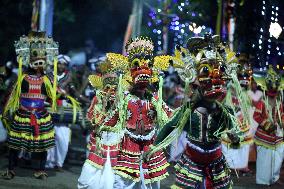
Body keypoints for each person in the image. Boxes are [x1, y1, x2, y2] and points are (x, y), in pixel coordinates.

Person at [147, 34, 242, 189]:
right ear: (194, 86)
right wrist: (153, 148)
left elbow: (235, 133)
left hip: (216, 164)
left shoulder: (224, 112)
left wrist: (234, 137)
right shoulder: (187, 111)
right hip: (192, 163)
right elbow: (169, 127)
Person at [79, 36, 174, 189]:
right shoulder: (124, 98)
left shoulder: (155, 99)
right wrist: (99, 129)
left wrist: (188, 109)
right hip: (128, 145)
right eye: (136, 66)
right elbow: (111, 118)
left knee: (149, 184)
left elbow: (171, 116)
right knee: (123, 182)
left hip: (149, 147)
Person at [1, 31, 58, 180]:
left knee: (42, 145)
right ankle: (11, 169)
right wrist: (6, 110)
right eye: (36, 60)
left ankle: (40, 170)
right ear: (29, 60)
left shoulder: (47, 80)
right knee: (15, 144)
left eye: (41, 60)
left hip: (41, 116)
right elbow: (11, 94)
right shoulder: (22, 79)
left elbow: (54, 97)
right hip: (22, 115)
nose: (39, 63)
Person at [78, 57, 120, 189]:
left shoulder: (122, 100)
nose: (111, 90)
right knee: (93, 164)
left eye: (114, 87)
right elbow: (90, 118)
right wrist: (103, 107)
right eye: (108, 86)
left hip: (115, 138)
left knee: (110, 166)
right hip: (99, 137)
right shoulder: (98, 98)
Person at [45, 54, 81, 171]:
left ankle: (59, 163)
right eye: (59, 63)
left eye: (64, 64)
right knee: (48, 137)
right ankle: (47, 162)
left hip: (63, 110)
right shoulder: (48, 75)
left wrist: (78, 98)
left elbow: (74, 92)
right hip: (49, 107)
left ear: (66, 66)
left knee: (63, 139)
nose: (61, 66)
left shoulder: (70, 76)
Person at [252, 65, 284, 186]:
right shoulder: (262, 101)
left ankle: (274, 179)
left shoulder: (279, 101)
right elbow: (256, 116)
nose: (274, 94)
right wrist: (266, 125)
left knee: (278, 158)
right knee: (264, 161)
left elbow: (282, 114)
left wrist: (282, 123)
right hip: (264, 136)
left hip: (277, 136)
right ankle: (263, 181)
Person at [222, 62, 254, 175]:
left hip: (243, 122)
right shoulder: (228, 89)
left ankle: (243, 166)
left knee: (244, 145)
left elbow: (248, 106)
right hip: (231, 120)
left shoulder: (246, 93)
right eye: (241, 77)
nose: (244, 81)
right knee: (228, 144)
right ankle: (228, 165)